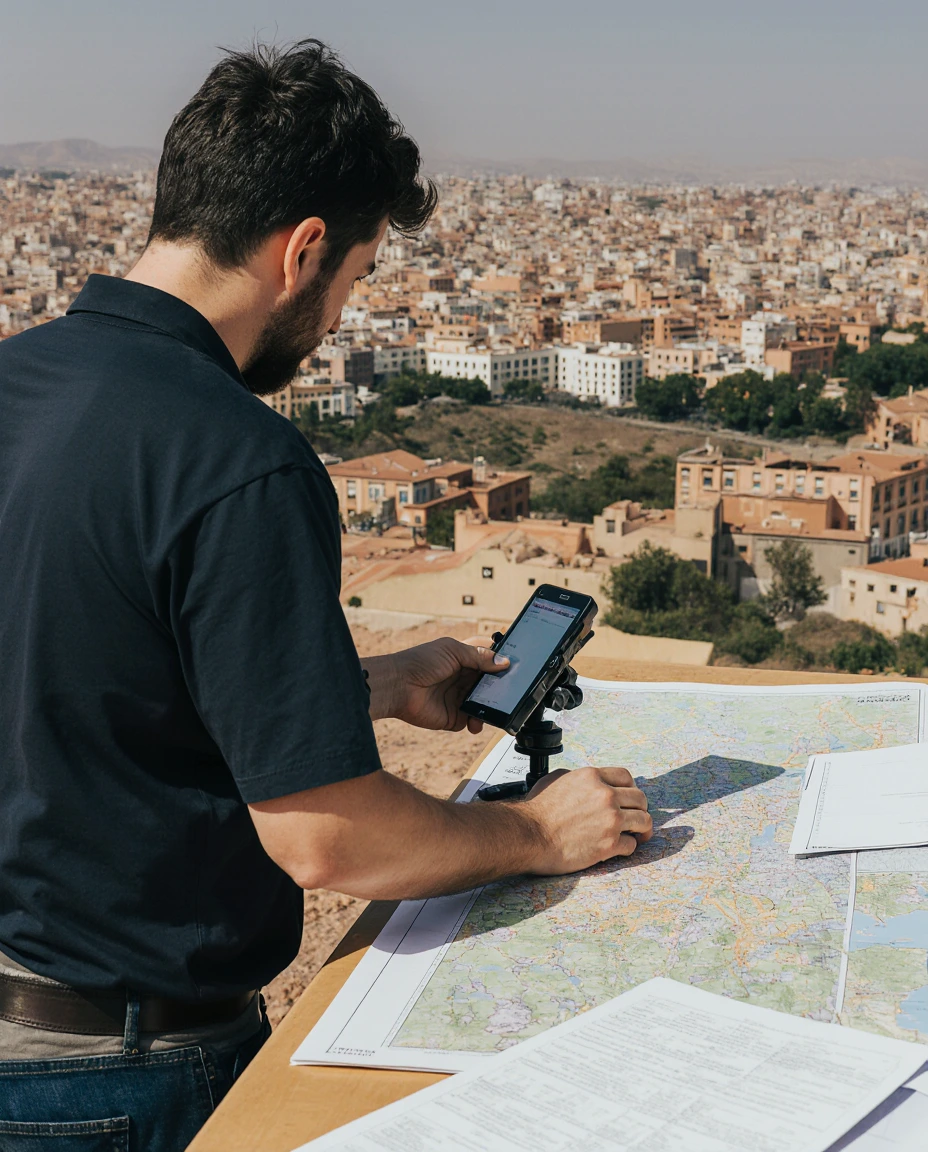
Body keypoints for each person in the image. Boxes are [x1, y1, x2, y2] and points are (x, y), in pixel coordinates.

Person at [0, 39, 652, 1150]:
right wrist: (536, 833)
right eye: (355, 278)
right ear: (302, 251)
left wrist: (369, 686)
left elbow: (88, 673)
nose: (342, 318)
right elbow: (326, 840)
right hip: (120, 1071)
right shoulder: (234, 459)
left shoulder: (19, 378)